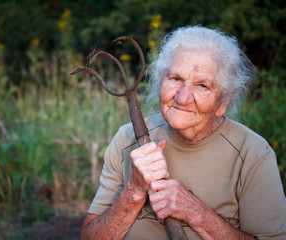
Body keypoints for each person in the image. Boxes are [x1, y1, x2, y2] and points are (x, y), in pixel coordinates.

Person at [80, 26, 286, 239]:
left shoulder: (252, 154)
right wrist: (134, 191)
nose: (183, 97)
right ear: (161, 80)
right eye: (176, 78)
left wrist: (197, 214)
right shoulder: (126, 139)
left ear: (223, 101)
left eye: (202, 86)